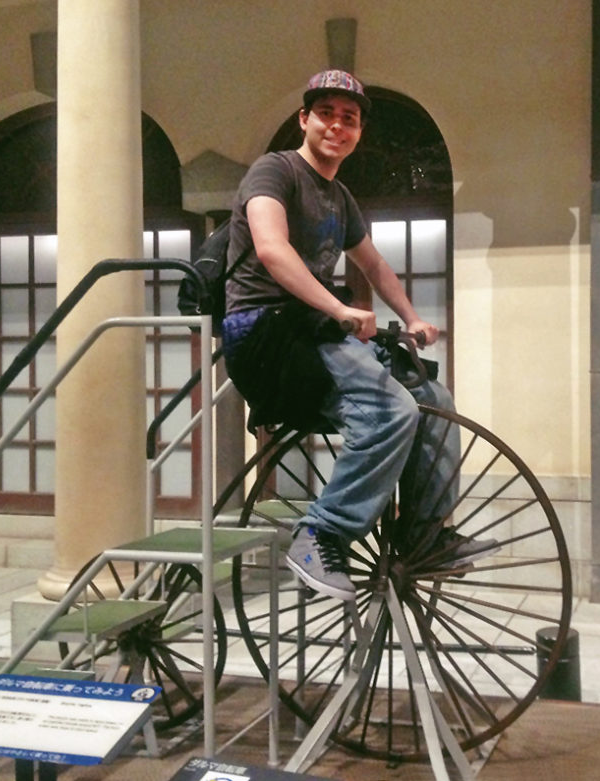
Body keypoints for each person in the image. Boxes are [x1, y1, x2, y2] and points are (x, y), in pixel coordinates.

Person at [221, 69, 498, 600]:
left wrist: (412, 316)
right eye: (326, 114)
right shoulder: (273, 172)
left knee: (431, 397)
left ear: (358, 132)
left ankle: (426, 534)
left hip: (314, 332)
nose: (337, 126)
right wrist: (338, 308)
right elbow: (271, 249)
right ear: (305, 120)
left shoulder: (339, 197)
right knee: (392, 408)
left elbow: (374, 265)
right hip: (264, 331)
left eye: (349, 119)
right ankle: (321, 533)